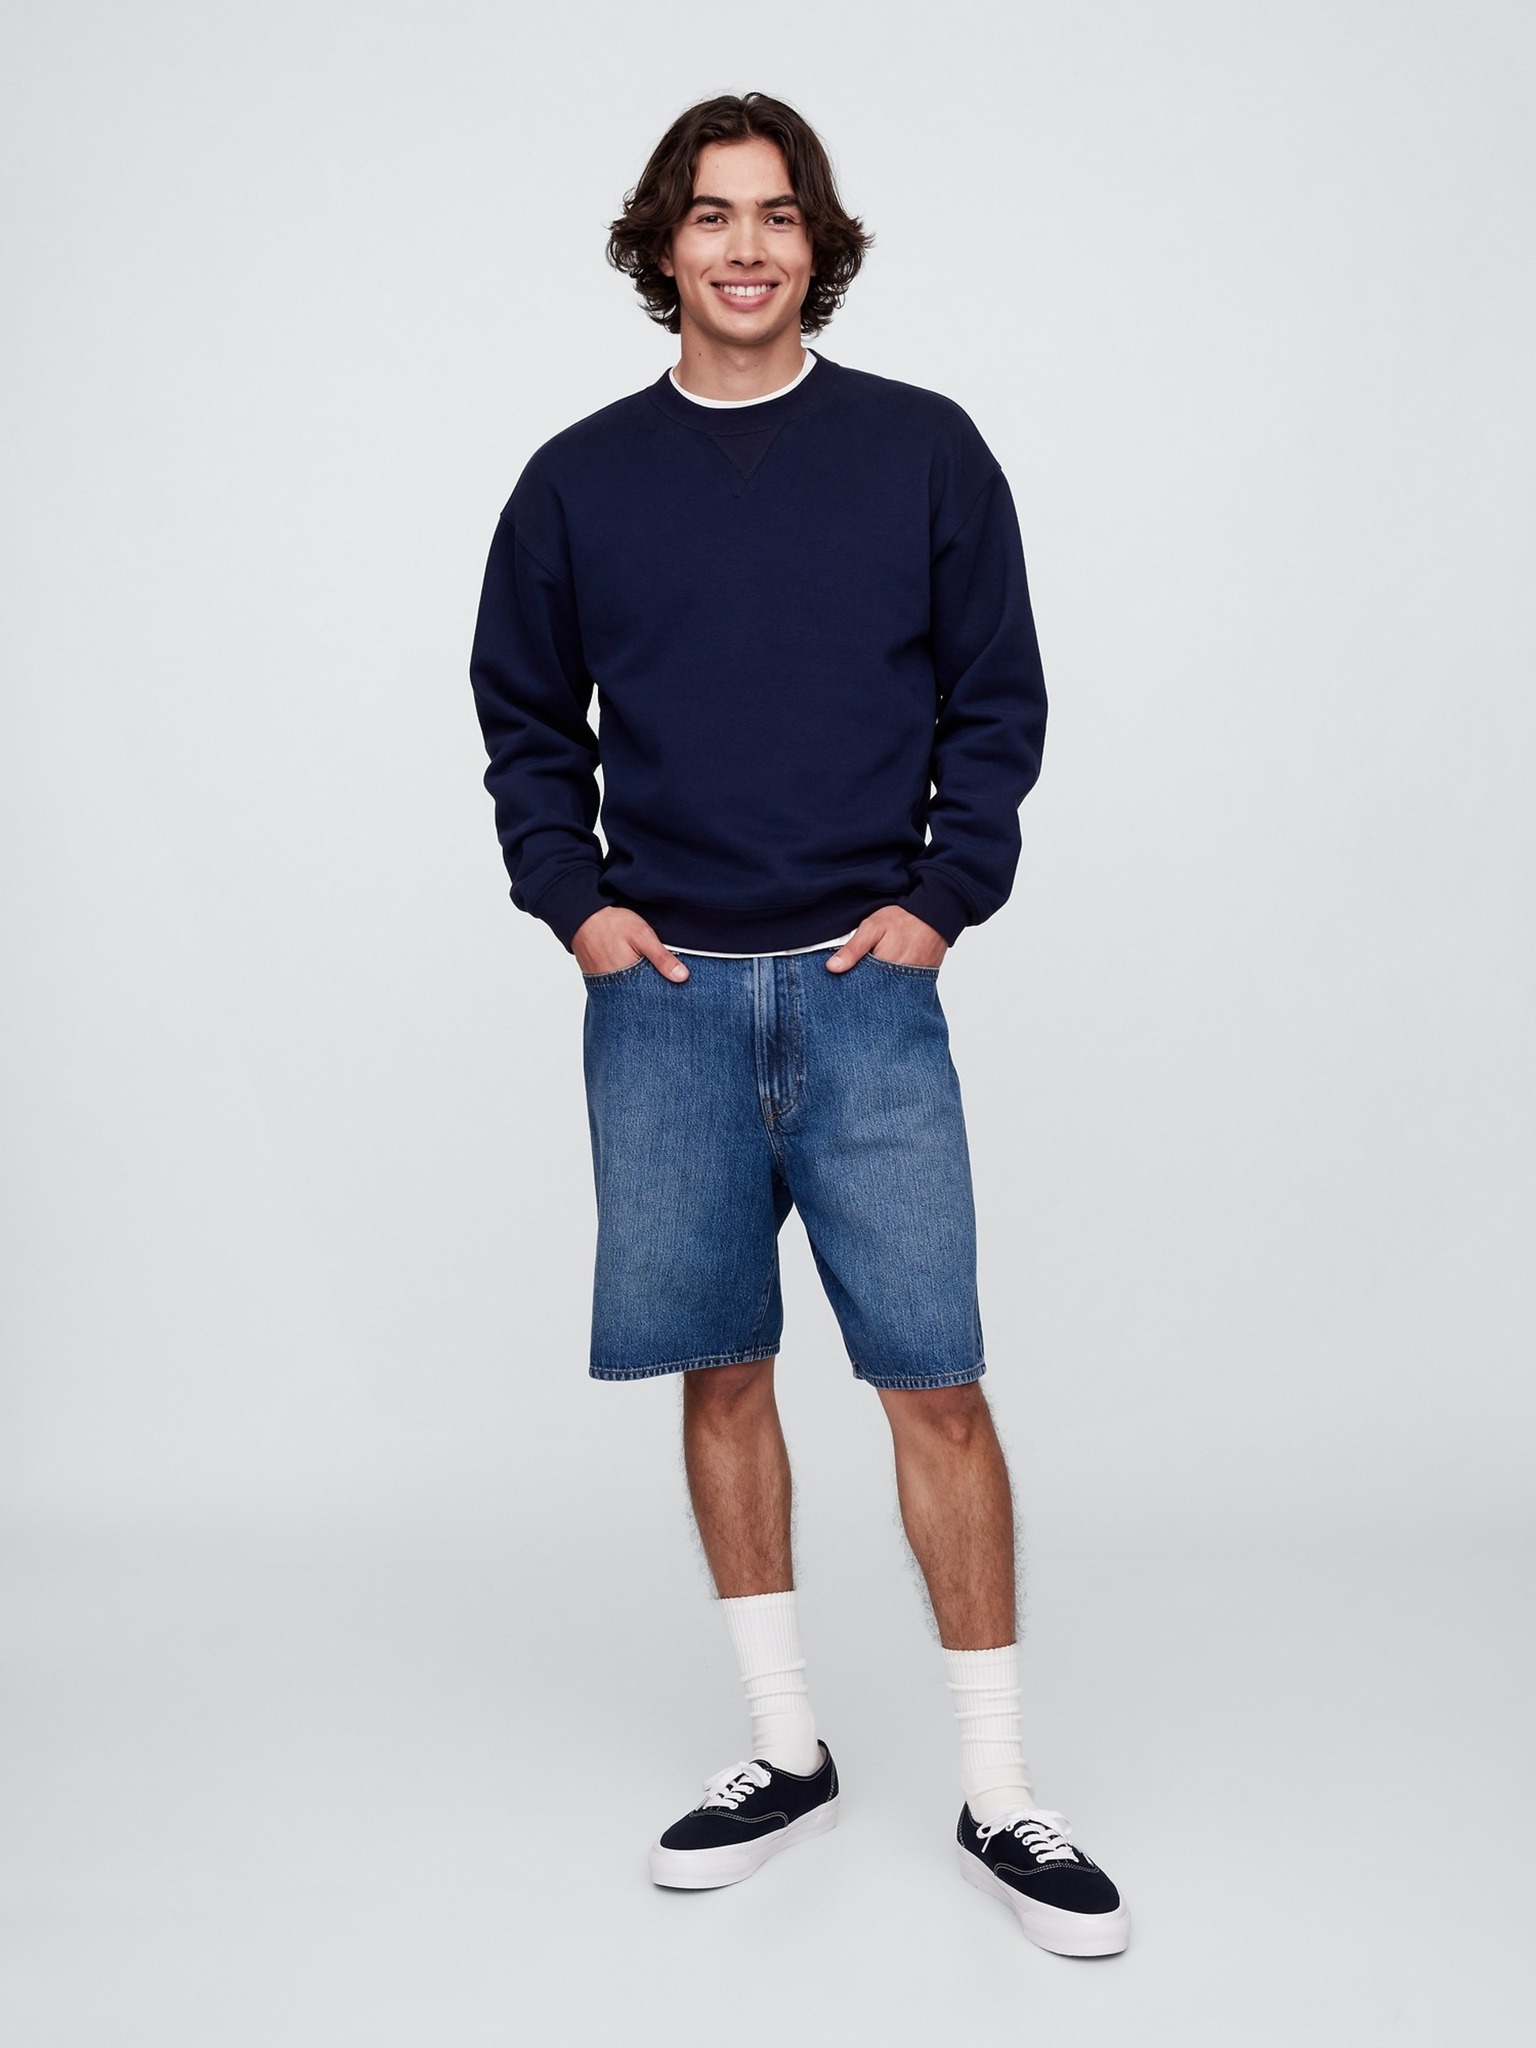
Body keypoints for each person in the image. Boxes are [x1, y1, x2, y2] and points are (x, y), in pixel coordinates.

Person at [468, 90, 1128, 1958]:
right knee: (723, 1371)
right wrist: (579, 909)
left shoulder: (922, 452)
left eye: (775, 215)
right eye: (710, 215)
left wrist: (941, 902)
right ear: (660, 244)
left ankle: (1000, 1787)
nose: (744, 247)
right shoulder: (578, 480)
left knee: (935, 1382)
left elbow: (998, 702)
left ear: (816, 242)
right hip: (663, 1000)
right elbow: (524, 719)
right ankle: (784, 1749)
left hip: (864, 989)